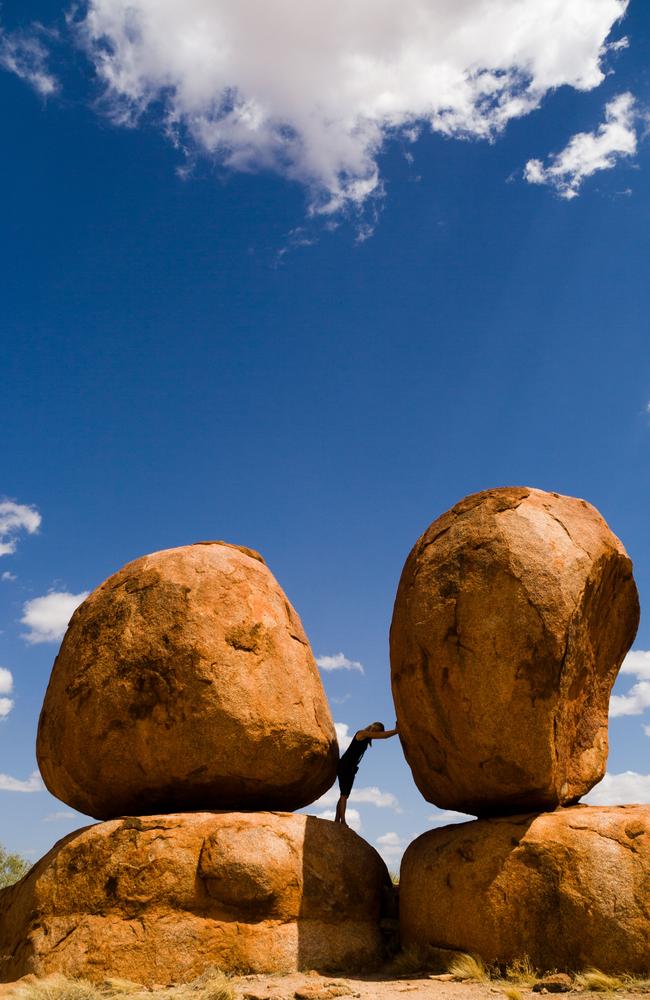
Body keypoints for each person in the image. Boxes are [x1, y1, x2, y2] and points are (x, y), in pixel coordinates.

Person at [334, 721, 399, 825]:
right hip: (345, 765)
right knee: (344, 795)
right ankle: (343, 821)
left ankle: (337, 819)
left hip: (350, 768)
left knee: (344, 795)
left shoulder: (367, 738)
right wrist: (396, 731)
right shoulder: (361, 733)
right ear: (372, 727)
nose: (376, 733)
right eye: (376, 731)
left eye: (377, 732)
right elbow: (384, 736)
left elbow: (382, 736)